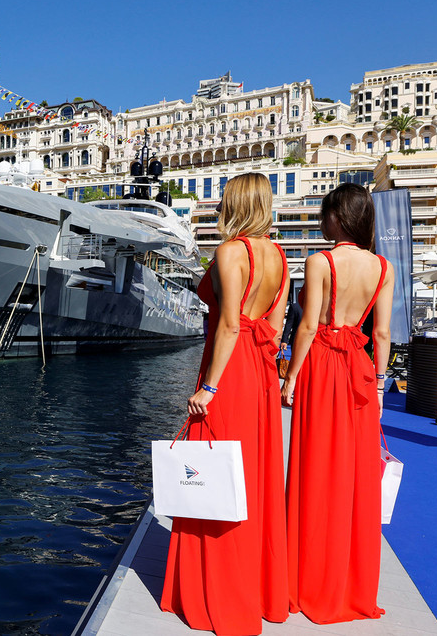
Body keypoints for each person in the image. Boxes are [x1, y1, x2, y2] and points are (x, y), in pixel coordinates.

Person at [161, 172, 290, 634]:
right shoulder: (279, 256)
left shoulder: (231, 251)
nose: (217, 210)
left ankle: (214, 587)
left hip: (228, 373)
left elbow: (230, 326)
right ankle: (253, 584)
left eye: (222, 203)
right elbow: (273, 326)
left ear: (235, 204)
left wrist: (208, 388)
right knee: (251, 476)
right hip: (259, 373)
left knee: (211, 473)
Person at [280, 183, 393, 625]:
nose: (321, 221)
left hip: (323, 368)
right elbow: (381, 334)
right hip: (360, 375)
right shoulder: (383, 266)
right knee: (352, 478)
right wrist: (381, 388)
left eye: (325, 214)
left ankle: (307, 580)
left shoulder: (321, 261)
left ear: (339, 217)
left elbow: (308, 326)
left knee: (314, 468)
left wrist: (290, 377)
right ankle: (348, 583)